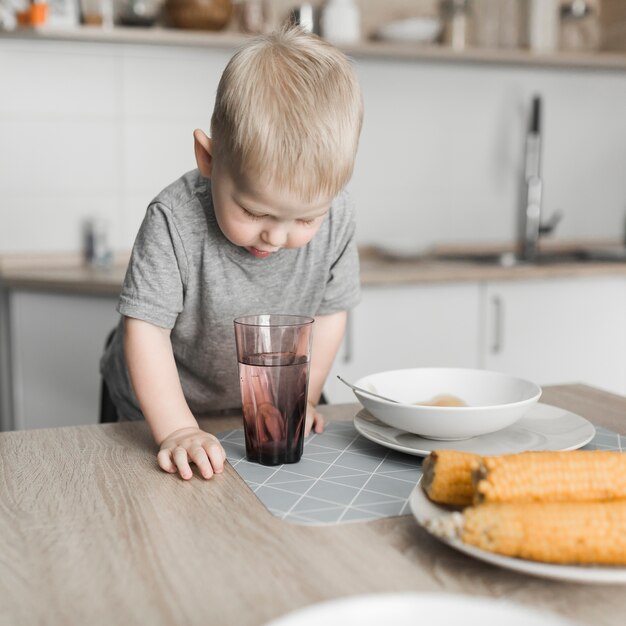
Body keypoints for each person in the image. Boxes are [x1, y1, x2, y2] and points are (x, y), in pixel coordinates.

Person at [100, 25, 363, 481]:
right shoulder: (173, 219)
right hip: (153, 407)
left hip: (249, 410)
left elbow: (330, 314)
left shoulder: (338, 218)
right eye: (253, 210)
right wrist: (177, 429)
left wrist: (303, 399)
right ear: (209, 159)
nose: (277, 238)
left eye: (305, 219)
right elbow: (144, 332)